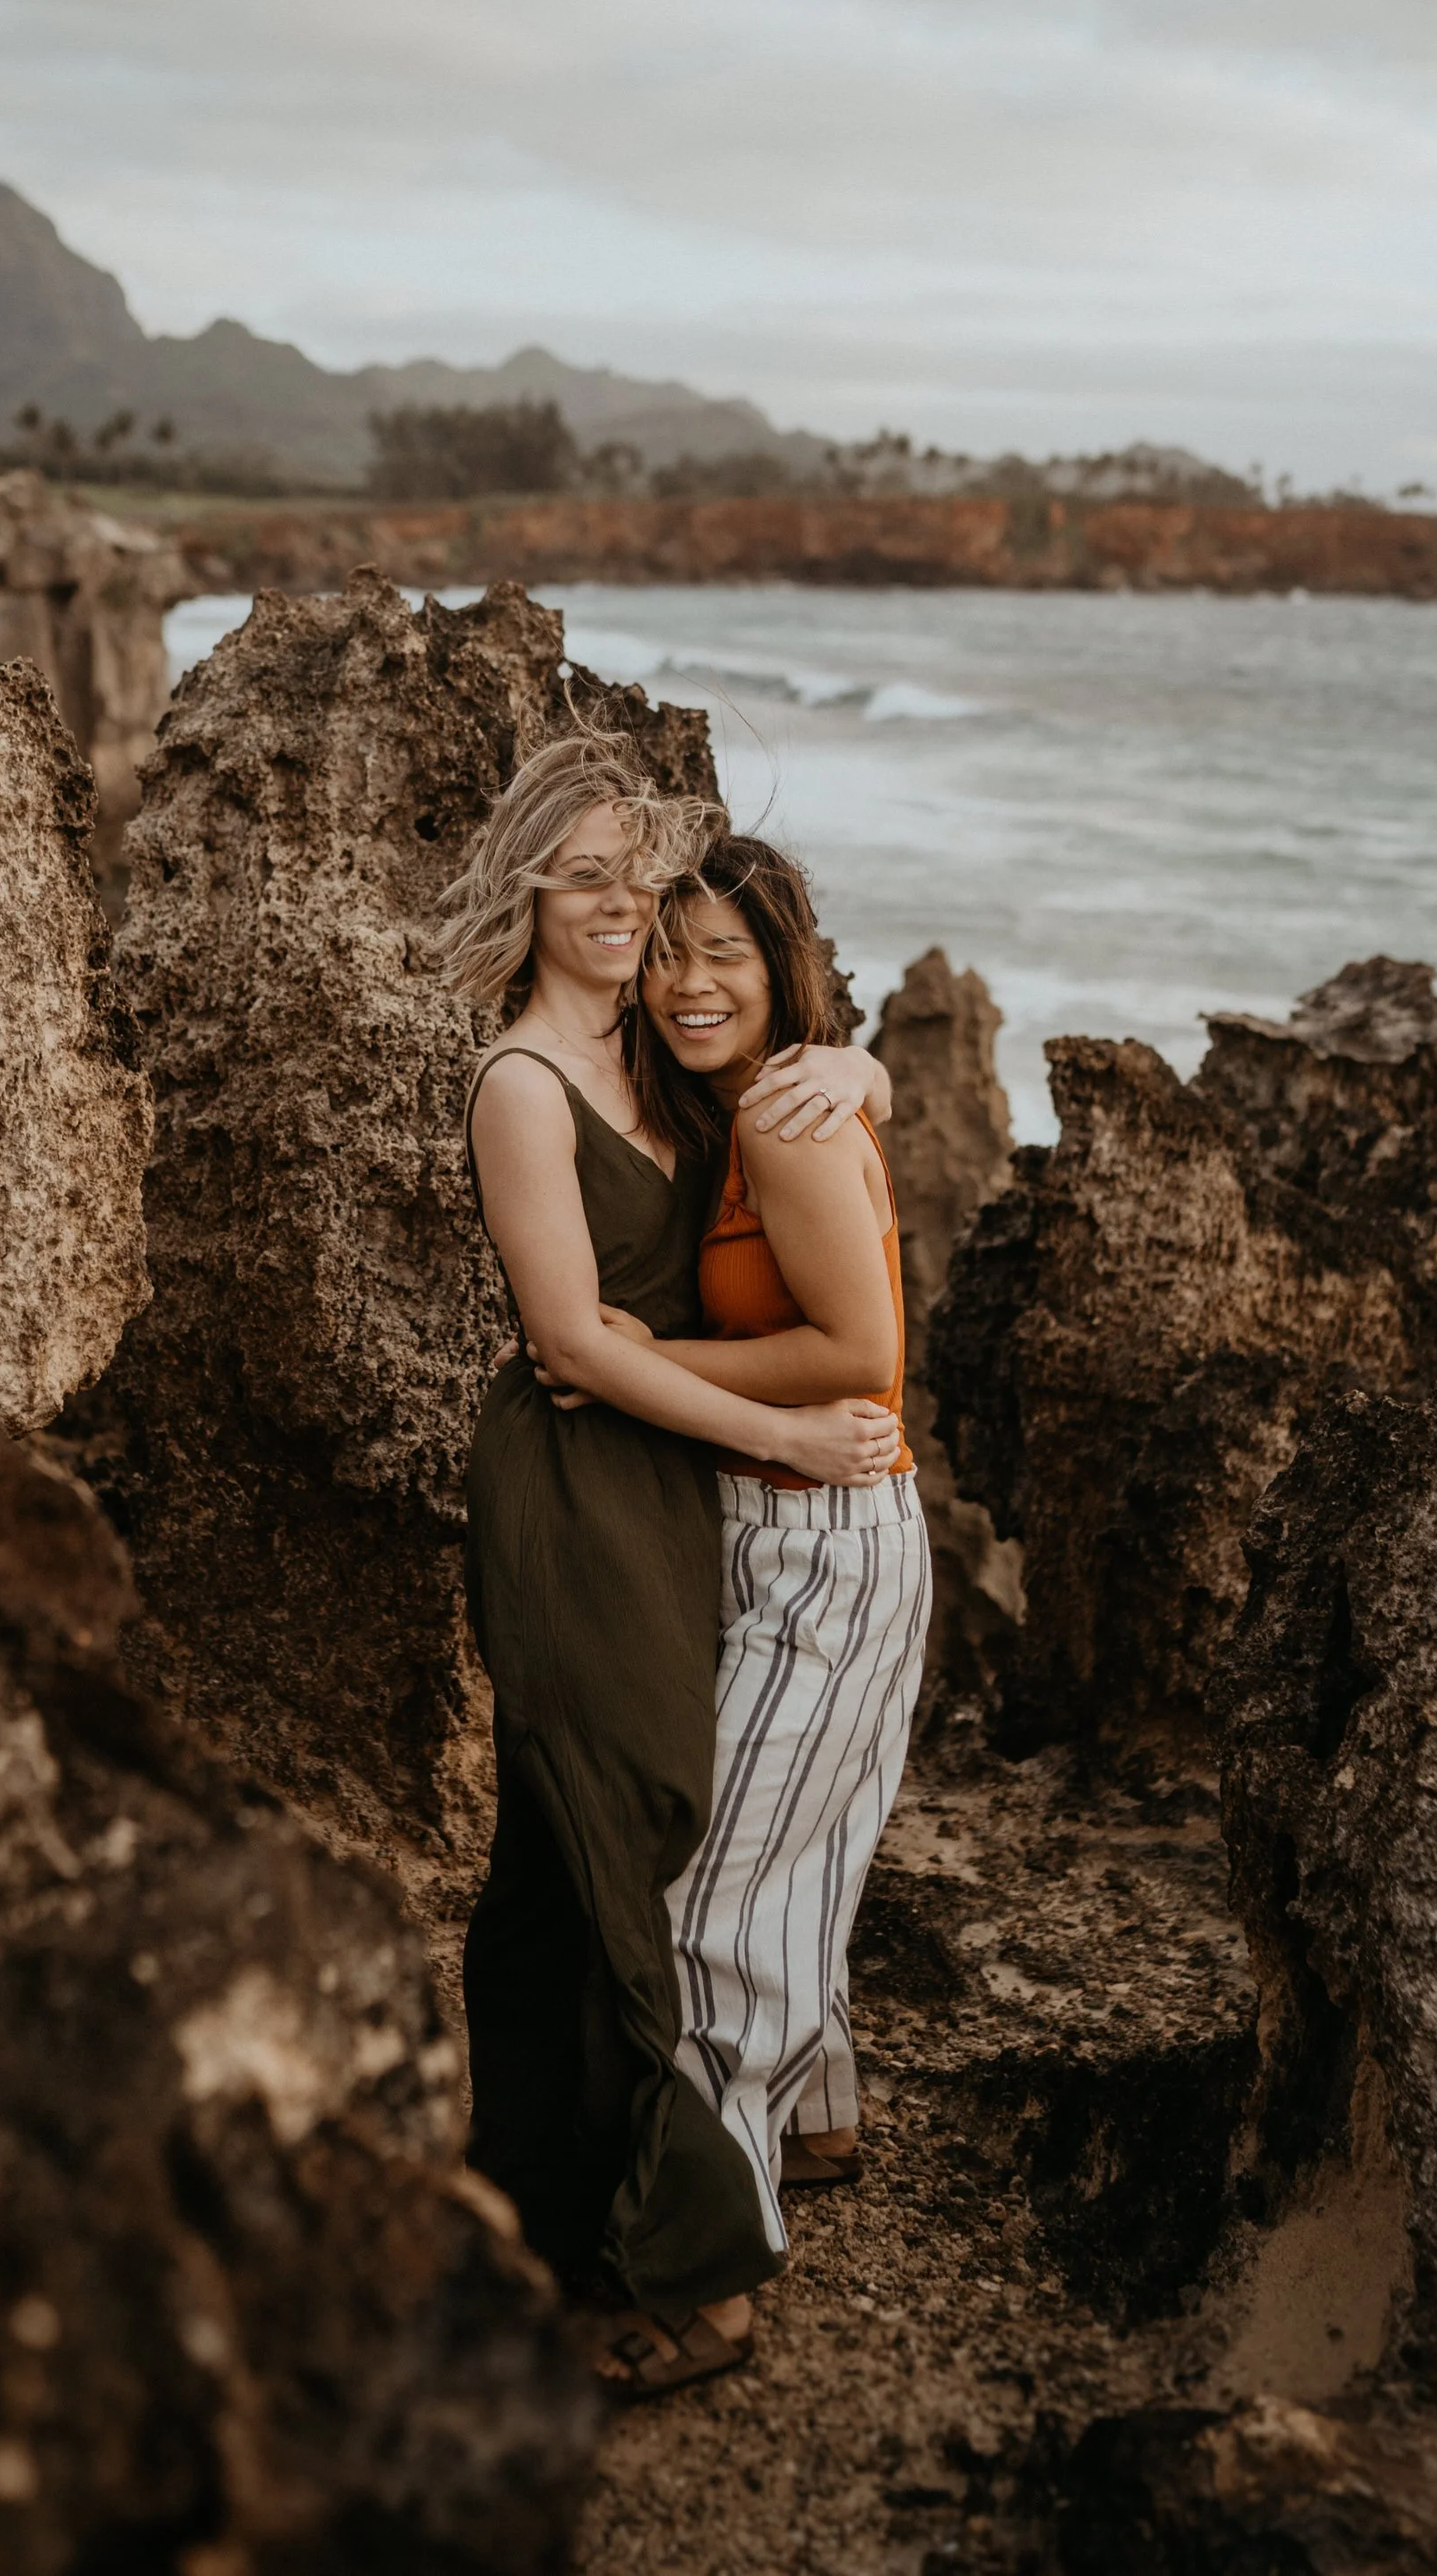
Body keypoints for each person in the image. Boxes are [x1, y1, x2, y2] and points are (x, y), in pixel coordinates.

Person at [440, 733, 898, 2397]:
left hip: (680, 1481)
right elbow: (570, 1336)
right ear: (532, 892)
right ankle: (589, 2231)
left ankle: (591, 2206)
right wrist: (783, 1436)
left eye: (638, 874)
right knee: (595, 1833)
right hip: (577, 1486)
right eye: (589, 877)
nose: (626, 904)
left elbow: (778, 1045)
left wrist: (868, 1077)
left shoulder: (652, 1041)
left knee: (618, 1837)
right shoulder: (521, 1081)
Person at [567, 831, 931, 2283]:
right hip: (781, 1528)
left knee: (709, 1908)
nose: (685, 981)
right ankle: (812, 2121)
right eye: (664, 951)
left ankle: (702, 2273)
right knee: (798, 1849)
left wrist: (650, 1356)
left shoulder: (780, 1122)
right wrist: (866, 1065)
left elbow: (866, 1353)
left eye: (724, 953)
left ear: (783, 971)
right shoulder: (757, 1101)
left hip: (827, 1541)